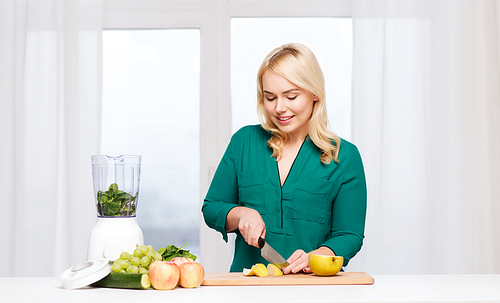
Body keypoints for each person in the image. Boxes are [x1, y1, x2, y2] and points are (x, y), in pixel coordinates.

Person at [202, 43, 367, 274]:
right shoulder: (244, 142)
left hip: (313, 289)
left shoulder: (344, 156)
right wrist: (241, 214)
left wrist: (321, 254)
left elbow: (349, 235)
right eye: (270, 97)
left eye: (291, 96)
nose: (280, 108)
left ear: (315, 94)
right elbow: (212, 208)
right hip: (246, 287)